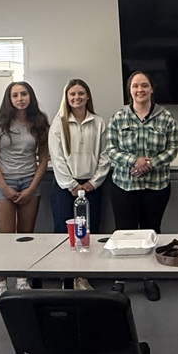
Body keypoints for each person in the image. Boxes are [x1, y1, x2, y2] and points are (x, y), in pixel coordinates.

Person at [107, 71, 178, 302]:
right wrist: (133, 161)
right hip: (124, 186)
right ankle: (121, 278)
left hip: (156, 186)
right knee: (124, 232)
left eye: (144, 85)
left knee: (151, 231)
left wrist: (148, 164)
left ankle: (149, 277)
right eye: (136, 86)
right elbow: (111, 149)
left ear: (151, 89)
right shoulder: (118, 118)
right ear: (130, 90)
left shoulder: (165, 117)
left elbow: (172, 149)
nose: (140, 90)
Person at [0, 81, 49, 301]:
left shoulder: (39, 123)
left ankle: (22, 280)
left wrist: (31, 188)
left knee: (25, 236)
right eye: (15, 95)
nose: (20, 98)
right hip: (4, 184)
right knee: (5, 238)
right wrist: (4, 187)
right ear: (9, 99)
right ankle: (0, 282)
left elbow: (43, 159)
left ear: (30, 96)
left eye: (24, 94)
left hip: (30, 183)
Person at [48, 78, 109, 263]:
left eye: (81, 93)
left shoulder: (98, 123)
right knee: (64, 231)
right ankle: (66, 274)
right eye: (72, 94)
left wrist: (93, 183)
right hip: (65, 188)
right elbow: (57, 158)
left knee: (90, 230)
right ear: (66, 97)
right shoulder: (58, 124)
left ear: (88, 96)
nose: (77, 97)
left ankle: (87, 273)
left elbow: (105, 156)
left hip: (92, 187)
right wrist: (72, 185)